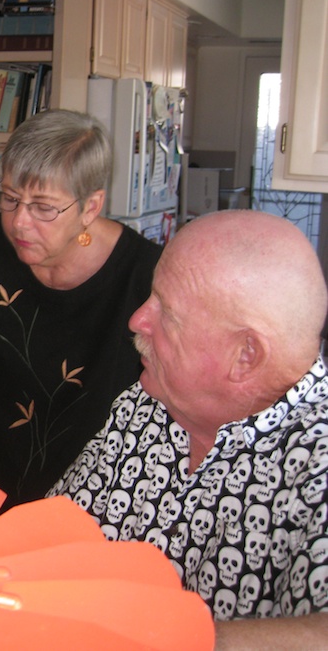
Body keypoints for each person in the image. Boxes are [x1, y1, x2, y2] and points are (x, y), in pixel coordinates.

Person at [48, 210, 328, 645]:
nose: (138, 320)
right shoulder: (147, 404)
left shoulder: (318, 463)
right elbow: (54, 535)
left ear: (246, 356)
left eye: (168, 314)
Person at [0, 109, 162, 509]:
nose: (19, 223)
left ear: (91, 207)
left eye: (44, 207)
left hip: (90, 488)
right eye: (9, 198)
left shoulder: (146, 277)